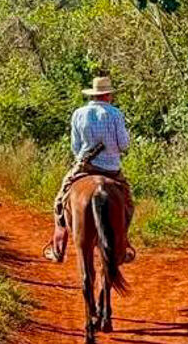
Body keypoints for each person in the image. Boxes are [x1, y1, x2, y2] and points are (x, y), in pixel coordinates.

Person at [43, 76, 135, 263]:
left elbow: (75, 147)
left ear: (94, 94)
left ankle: (58, 247)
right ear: (108, 95)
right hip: (111, 169)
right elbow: (124, 145)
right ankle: (122, 244)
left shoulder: (79, 113)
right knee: (128, 204)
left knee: (60, 201)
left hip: (85, 166)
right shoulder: (115, 114)